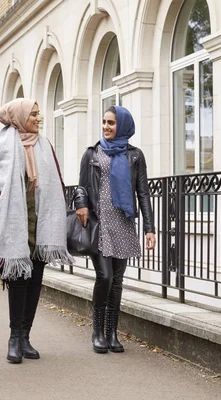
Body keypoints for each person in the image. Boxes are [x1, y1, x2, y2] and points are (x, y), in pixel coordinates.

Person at [0, 98, 74, 364]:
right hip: (14, 226)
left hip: (40, 224)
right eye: (33, 114)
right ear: (20, 117)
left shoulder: (44, 145)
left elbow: (57, 180)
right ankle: (14, 338)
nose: (38, 118)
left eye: (38, 113)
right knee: (18, 283)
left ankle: (26, 337)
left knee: (35, 282)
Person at [74, 105, 156, 354]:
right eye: (104, 122)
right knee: (104, 277)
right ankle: (97, 331)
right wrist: (81, 205)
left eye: (111, 123)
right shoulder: (92, 153)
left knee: (117, 281)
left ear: (122, 125)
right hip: (100, 223)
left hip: (123, 223)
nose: (106, 127)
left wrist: (149, 229)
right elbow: (82, 187)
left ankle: (112, 333)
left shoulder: (135, 156)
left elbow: (143, 193)